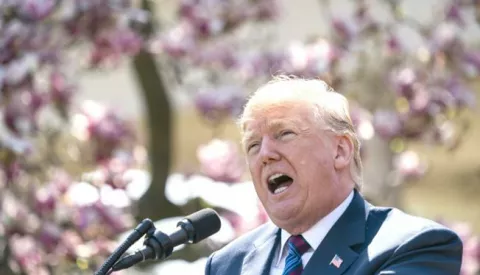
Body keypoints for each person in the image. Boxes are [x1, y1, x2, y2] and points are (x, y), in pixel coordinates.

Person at [204, 75, 463, 275]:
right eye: (253, 145)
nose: (265, 154)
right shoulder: (227, 264)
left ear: (340, 151)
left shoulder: (414, 246)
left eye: (284, 134)